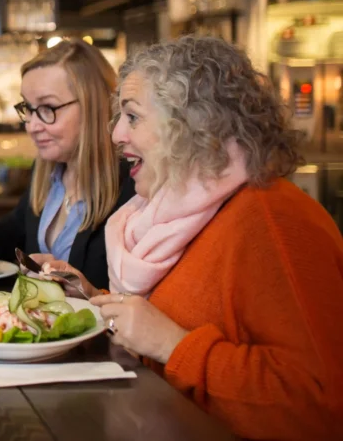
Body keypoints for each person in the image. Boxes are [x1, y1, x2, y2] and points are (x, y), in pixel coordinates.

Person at [54, 36, 343, 439]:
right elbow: (183, 314)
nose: (116, 134)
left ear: (192, 124)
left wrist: (174, 346)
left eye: (132, 117)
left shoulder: (272, 220)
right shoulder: (180, 211)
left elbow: (317, 409)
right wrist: (93, 298)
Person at [0, 39, 136, 290]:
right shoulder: (48, 173)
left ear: (93, 106)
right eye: (28, 108)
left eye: (48, 108)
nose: (32, 124)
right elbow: (18, 233)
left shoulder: (133, 185)